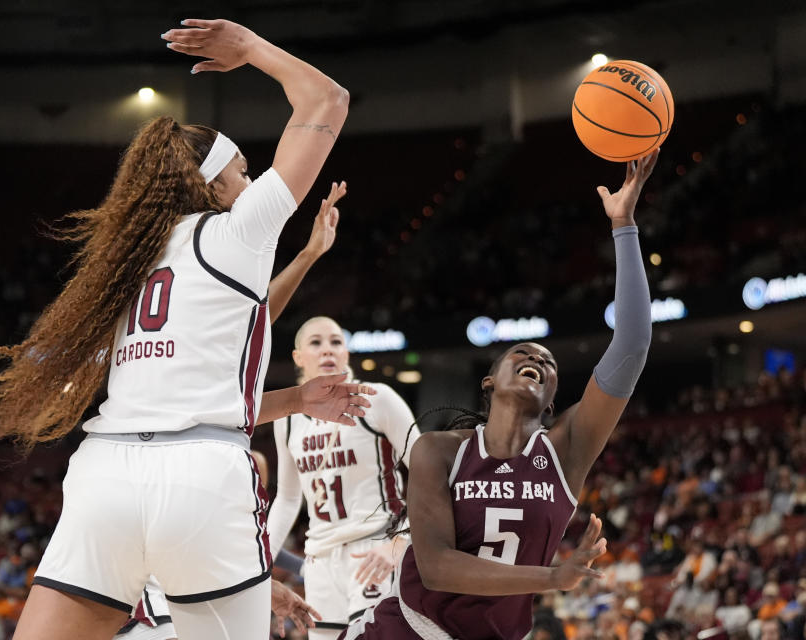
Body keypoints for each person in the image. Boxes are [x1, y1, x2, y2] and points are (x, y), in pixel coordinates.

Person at [0, 17, 359, 640]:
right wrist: (251, 49)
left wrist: (293, 400)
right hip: (202, 480)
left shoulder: (123, 264)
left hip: (105, 474)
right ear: (209, 184)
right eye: (242, 172)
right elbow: (328, 100)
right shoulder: (238, 230)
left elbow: (178, 392)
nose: (251, 182)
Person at [341, 150, 659, 639]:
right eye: (522, 354)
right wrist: (552, 577)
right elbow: (438, 568)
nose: (538, 359)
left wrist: (624, 226)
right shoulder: (439, 451)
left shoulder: (564, 450)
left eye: (549, 363)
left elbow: (633, 343)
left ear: (551, 400)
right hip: (410, 627)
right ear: (489, 382)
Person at [111, 186, 347, 640]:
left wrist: (308, 255)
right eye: (240, 171)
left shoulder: (158, 255)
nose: (248, 182)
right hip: (166, 594)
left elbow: (248, 327)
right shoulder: (207, 246)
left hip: (147, 489)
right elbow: (247, 330)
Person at [267, 315, 419, 638]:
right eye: (316, 343)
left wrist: (401, 541)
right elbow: (289, 498)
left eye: (336, 342)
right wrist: (256, 565)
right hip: (319, 559)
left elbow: (428, 474)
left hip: (373, 548)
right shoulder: (288, 418)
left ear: (347, 353)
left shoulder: (378, 398)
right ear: (298, 357)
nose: (328, 351)